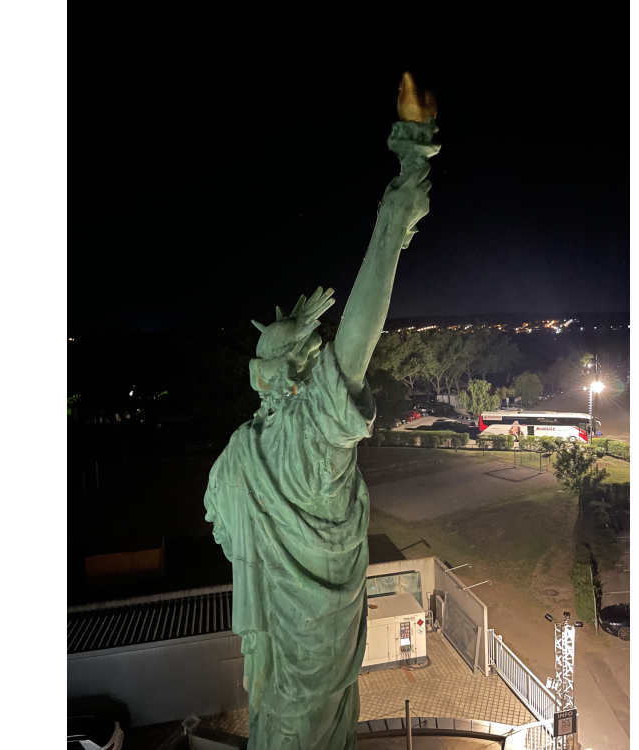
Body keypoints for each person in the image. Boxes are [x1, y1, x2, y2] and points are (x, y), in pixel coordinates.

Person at [203, 73, 439, 749]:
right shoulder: (306, 434)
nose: (323, 365)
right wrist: (399, 199)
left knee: (292, 726)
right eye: (313, 357)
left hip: (288, 642)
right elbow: (357, 339)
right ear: (295, 374)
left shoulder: (241, 451)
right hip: (314, 646)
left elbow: (224, 526)